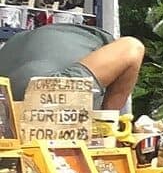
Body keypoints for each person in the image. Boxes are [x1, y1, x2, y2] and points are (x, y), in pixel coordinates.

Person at [0, 24, 145, 110]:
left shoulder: (75, 41)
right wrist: (110, 125)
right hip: (46, 86)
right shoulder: (110, 53)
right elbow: (132, 47)